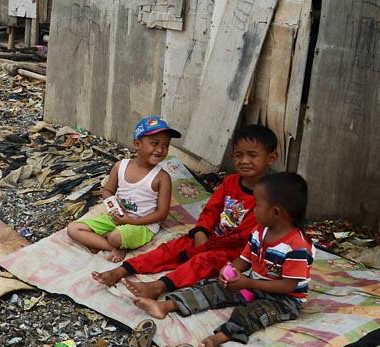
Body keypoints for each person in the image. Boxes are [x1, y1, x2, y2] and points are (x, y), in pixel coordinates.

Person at [133, 172, 312, 347]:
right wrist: (230, 271)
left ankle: (218, 338)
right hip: (254, 287)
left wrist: (248, 283)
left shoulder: (297, 246)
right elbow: (244, 258)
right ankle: (166, 306)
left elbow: (288, 286)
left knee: (253, 314)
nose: (254, 209)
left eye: (258, 204)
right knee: (212, 288)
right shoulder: (260, 231)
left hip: (283, 300)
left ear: (275, 212)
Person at [92, 125, 279, 297]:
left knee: (202, 262)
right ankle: (122, 270)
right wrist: (201, 231)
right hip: (211, 236)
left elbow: (251, 233)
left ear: (271, 158)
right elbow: (211, 209)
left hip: (236, 249)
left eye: (252, 155)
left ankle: (159, 286)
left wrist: (209, 245)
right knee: (171, 248)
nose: (244, 161)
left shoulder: (271, 194)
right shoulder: (230, 182)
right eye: (239, 155)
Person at [67, 116, 178, 262]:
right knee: (73, 229)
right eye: (155, 143)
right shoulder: (120, 166)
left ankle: (109, 242)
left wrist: (133, 221)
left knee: (115, 236)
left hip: (143, 225)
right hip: (117, 218)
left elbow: (162, 214)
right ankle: (113, 247)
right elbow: (107, 191)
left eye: (166, 145)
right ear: (137, 143)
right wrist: (115, 207)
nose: (160, 150)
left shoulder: (162, 177)